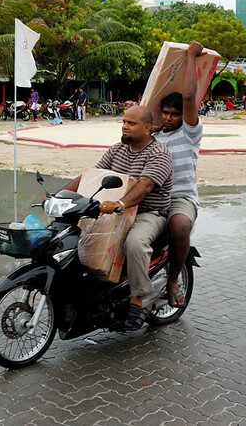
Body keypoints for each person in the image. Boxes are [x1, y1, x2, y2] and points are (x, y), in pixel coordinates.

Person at [62, 105, 172, 330]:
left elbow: (145, 185)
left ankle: (138, 300)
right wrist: (61, 195)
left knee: (135, 243)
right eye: (124, 122)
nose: (125, 126)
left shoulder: (159, 154)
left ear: (147, 128)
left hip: (148, 213)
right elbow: (91, 176)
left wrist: (121, 203)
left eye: (131, 123)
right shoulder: (116, 150)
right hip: (114, 211)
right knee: (78, 235)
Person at [152, 40, 205, 308]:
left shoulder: (190, 132)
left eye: (176, 114)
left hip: (180, 198)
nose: (170, 118)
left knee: (180, 226)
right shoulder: (153, 137)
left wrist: (190, 57)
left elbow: (187, 98)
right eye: (166, 113)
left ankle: (173, 279)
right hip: (151, 198)